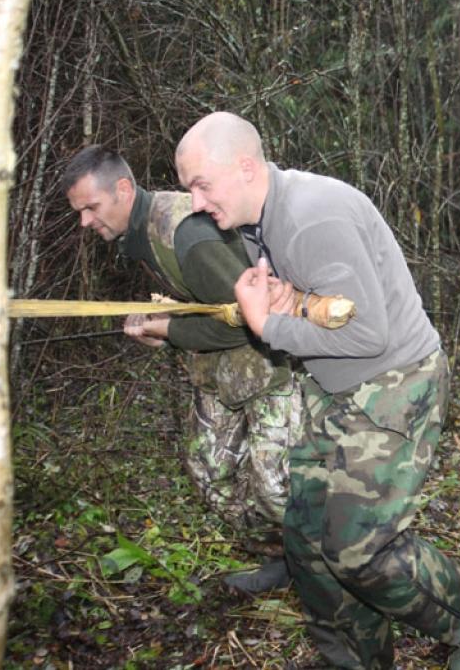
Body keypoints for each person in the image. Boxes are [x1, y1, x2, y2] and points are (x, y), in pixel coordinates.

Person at [175, 112, 460, 670]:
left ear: (246, 167)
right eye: (189, 190)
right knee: (305, 539)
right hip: (337, 387)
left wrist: (268, 325)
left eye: (201, 186)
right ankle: (354, 657)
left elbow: (367, 334)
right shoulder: (263, 219)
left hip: (396, 383)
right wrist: (290, 299)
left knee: (360, 551)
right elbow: (330, 309)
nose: (197, 203)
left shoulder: (308, 219)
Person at [60, 146, 299, 593]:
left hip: (269, 368)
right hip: (220, 373)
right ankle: (280, 560)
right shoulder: (142, 235)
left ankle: (337, 575)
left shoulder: (185, 230)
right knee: (212, 473)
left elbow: (246, 320)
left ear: (124, 189)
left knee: (276, 486)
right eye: (79, 212)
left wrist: (169, 329)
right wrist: (163, 322)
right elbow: (204, 307)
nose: (85, 222)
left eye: (91, 207)